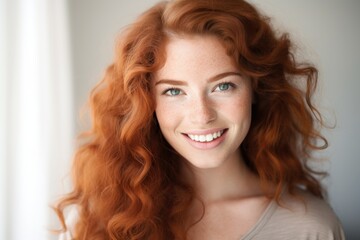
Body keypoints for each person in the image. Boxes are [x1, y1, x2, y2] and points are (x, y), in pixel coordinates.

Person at [55, 0, 345, 239]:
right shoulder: (96, 220)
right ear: (146, 102)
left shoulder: (311, 227)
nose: (202, 115)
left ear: (256, 89)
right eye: (173, 91)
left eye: (223, 86)